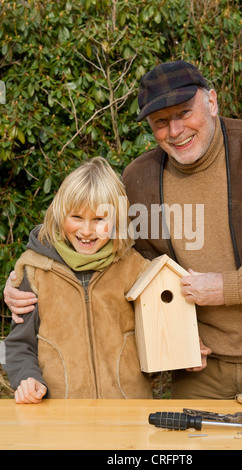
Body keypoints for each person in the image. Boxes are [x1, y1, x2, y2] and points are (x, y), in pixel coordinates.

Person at [4, 61, 242, 399]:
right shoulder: (139, 179)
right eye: (161, 121)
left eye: (185, 112)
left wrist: (228, 287)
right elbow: (100, 250)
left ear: (212, 102)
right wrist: (23, 278)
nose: (175, 131)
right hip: (197, 371)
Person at [2, 157, 152, 403]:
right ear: (61, 216)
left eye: (99, 219)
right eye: (77, 217)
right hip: (59, 414)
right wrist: (26, 378)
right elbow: (16, 345)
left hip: (128, 413)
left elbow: (159, 335)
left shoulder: (134, 267)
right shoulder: (35, 269)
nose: (86, 231)